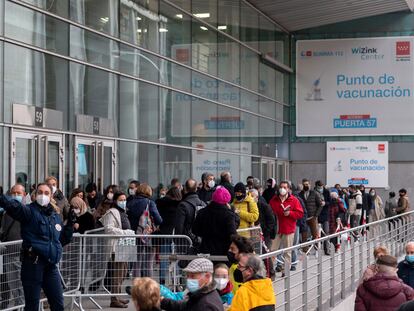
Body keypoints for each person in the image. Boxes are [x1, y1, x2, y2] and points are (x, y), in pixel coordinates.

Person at [0, 183, 73, 311]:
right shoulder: (28, 211)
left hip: (50, 266)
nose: (42, 195)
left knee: (58, 303)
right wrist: (2, 197)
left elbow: (60, 240)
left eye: (46, 193)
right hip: (33, 264)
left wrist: (70, 225)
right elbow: (13, 206)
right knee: (32, 305)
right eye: (40, 192)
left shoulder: (55, 216)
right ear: (34, 195)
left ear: (51, 196)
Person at [100, 191, 135, 308]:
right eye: (121, 199)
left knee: (123, 273)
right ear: (115, 201)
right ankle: (114, 299)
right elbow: (109, 229)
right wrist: (125, 232)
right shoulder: (112, 212)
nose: (123, 201)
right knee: (117, 274)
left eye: (125, 199)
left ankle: (117, 296)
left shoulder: (123, 212)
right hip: (117, 246)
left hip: (125, 245)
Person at [127, 183, 162, 278]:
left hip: (134, 234)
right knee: (149, 263)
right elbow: (158, 219)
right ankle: (148, 285)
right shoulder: (150, 203)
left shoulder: (130, 202)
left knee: (136, 263)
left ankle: (136, 286)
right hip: (148, 234)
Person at [270, 181, 304, 274]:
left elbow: (300, 213)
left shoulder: (294, 200)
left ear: (288, 189)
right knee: (272, 251)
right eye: (281, 187)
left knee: (287, 252)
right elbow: (269, 212)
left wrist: (290, 213)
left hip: (288, 229)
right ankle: (270, 271)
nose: (282, 189)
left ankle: (285, 271)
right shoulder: (274, 200)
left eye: (285, 187)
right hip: (276, 230)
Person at [0, 184, 25, 309]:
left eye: (18, 193)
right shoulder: (6, 213)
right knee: (13, 285)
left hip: (22, 255)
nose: (16, 196)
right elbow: (3, 231)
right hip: (8, 254)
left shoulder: (27, 211)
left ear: (24, 195)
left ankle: (22, 307)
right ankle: (17, 306)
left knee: (22, 285)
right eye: (13, 193)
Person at [192, 186, 237, 256]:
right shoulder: (228, 215)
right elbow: (232, 233)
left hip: (205, 251)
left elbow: (195, 230)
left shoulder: (202, 212)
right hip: (223, 252)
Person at [155, 187, 182, 284]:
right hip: (177, 234)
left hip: (164, 233)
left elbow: (158, 218)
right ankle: (176, 280)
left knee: (164, 259)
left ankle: (162, 281)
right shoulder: (181, 204)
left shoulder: (161, 203)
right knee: (176, 258)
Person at [176, 179, 206, 245]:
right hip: (201, 243)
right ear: (196, 189)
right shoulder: (203, 204)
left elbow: (179, 228)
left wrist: (177, 242)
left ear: (185, 189)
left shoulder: (182, 205)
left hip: (185, 244)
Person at [299, 178, 322, 243]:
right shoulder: (300, 194)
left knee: (315, 235)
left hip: (312, 217)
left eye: (307, 184)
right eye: (304, 184)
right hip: (303, 218)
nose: (306, 186)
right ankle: (305, 251)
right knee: (304, 235)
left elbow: (320, 205)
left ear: (310, 185)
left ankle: (316, 249)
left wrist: (316, 215)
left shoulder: (314, 193)